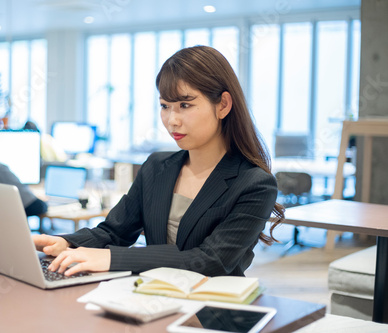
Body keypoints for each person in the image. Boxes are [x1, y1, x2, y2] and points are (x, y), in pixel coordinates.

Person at [33, 46, 284, 277]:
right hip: (149, 297)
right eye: (165, 106)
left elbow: (211, 260)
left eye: (185, 105)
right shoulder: (156, 166)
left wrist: (110, 258)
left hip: (210, 309)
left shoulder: (255, 183)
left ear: (223, 105)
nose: (172, 120)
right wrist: (67, 242)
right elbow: (115, 231)